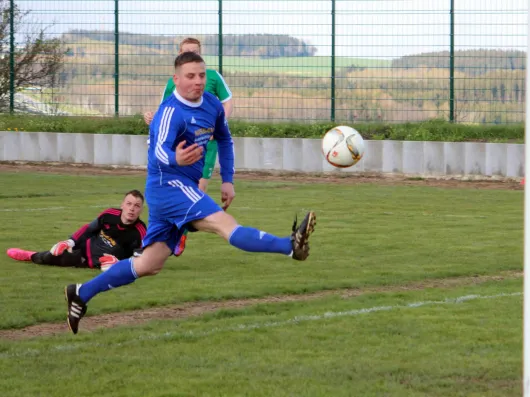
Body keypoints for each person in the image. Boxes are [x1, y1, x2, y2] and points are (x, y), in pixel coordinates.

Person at [64, 52, 316, 335]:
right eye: (190, 76)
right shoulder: (170, 112)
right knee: (224, 225)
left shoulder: (211, 104)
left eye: (201, 75)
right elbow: (158, 151)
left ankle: (81, 292)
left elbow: (224, 139)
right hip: (167, 185)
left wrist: (228, 179)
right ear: (176, 79)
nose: (198, 81)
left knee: (149, 264)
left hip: (179, 188)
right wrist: (176, 160)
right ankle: (289, 246)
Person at [143, 37, 234, 257]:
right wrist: (152, 118)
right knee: (190, 198)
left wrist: (217, 124)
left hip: (206, 145)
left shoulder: (212, 77)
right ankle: (171, 236)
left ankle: (175, 234)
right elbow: (166, 113)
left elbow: (227, 102)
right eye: (187, 51)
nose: (197, 80)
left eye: (195, 51)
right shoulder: (173, 84)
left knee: (198, 192)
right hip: (180, 153)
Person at [7, 190, 147, 272]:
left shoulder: (140, 232)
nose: (132, 208)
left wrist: (118, 264)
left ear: (141, 209)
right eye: (128, 204)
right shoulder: (109, 214)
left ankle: (37, 256)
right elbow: (88, 229)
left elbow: (139, 261)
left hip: (94, 262)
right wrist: (70, 241)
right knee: (50, 256)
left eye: (136, 206)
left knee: (54, 260)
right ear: (122, 205)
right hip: (84, 248)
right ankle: (30, 255)